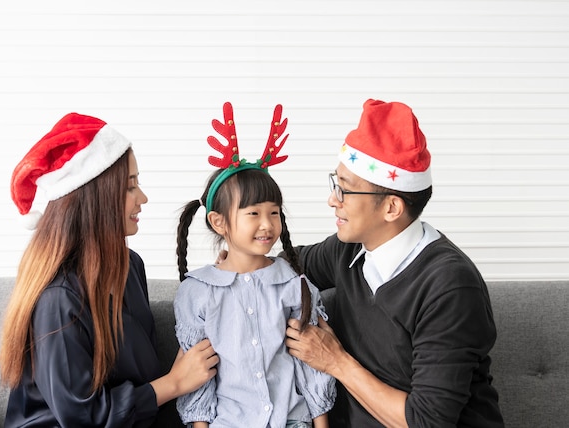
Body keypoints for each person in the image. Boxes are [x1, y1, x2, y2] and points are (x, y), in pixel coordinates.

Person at [284, 99, 504, 427]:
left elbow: (426, 422)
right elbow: (289, 264)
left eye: (345, 190)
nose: (332, 200)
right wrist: (236, 260)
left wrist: (336, 361)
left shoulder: (450, 286)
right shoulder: (346, 250)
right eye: (335, 183)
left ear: (391, 208)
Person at [0, 113, 219, 427]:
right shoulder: (59, 299)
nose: (143, 198)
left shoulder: (131, 267)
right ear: (94, 199)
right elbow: (81, 417)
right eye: (130, 187)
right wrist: (175, 383)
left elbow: (142, 380)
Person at [174, 102, 336, 428]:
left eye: (273, 212)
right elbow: (197, 379)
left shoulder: (292, 283)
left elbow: (310, 366)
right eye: (253, 213)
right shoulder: (198, 292)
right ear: (219, 222)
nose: (267, 224)